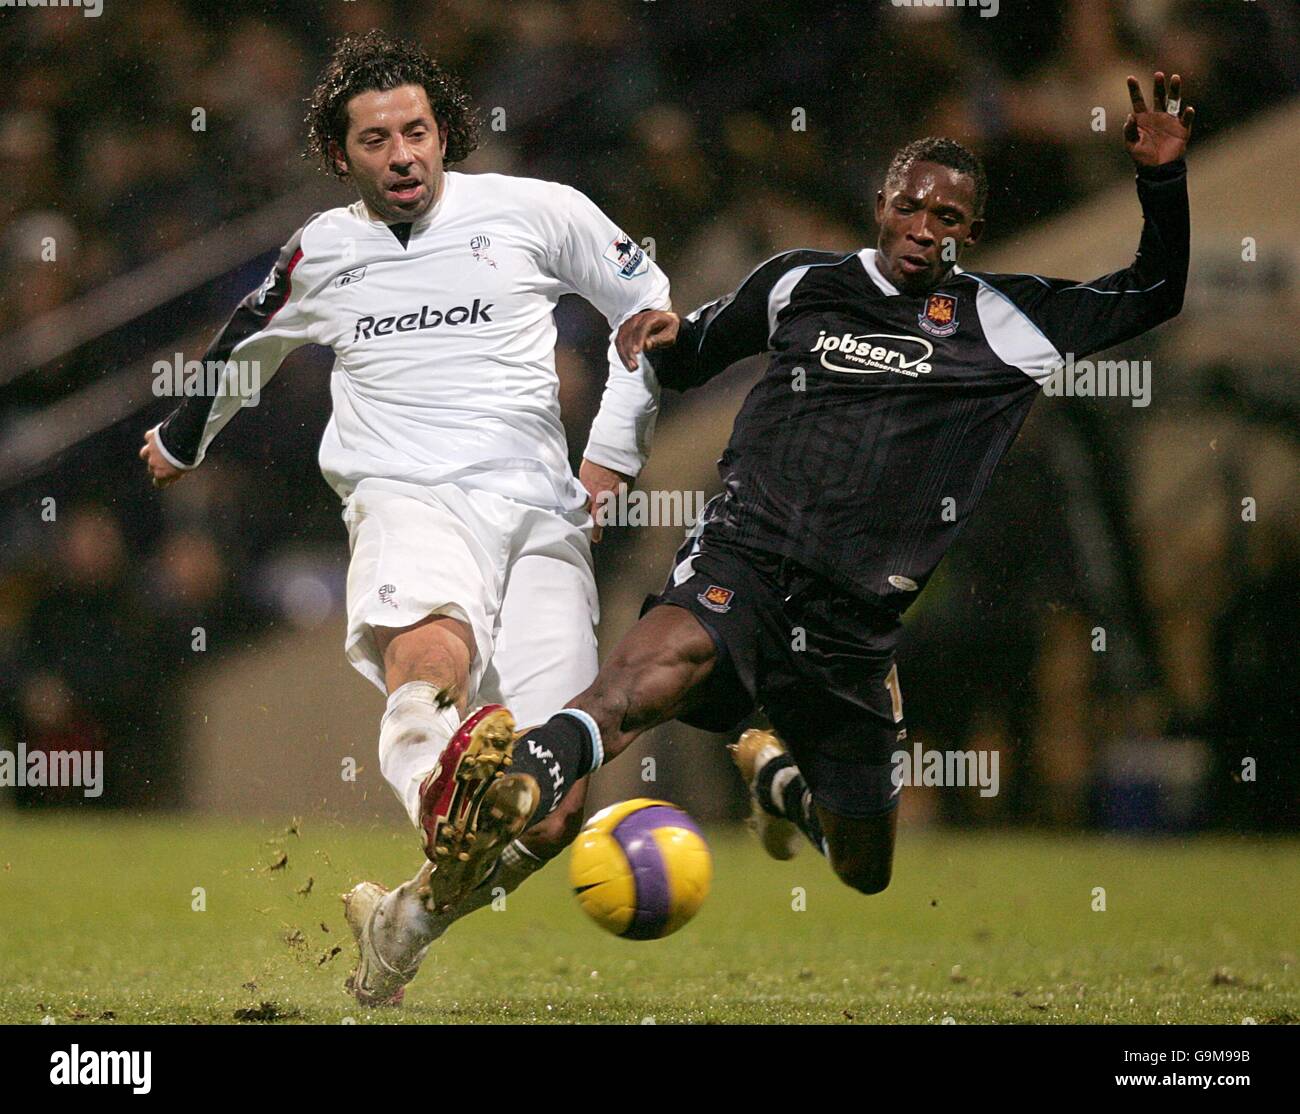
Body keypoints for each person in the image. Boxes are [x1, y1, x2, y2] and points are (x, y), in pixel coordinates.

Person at [498, 72, 1193, 892]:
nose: (923, 228)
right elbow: (694, 353)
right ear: (881, 202)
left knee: (866, 872)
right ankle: (521, 775)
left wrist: (1162, 178)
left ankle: (789, 790)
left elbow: (1153, 291)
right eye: (910, 206)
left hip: (853, 628)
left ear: (971, 231)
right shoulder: (798, 283)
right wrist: (663, 335)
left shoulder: (1003, 322)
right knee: (626, 690)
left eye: (946, 218)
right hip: (744, 567)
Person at [138, 31, 670, 1005]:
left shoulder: (533, 210)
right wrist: (182, 435)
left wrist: (612, 452)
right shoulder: (324, 250)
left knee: (550, 813)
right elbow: (246, 341)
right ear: (342, 156)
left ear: (444, 132)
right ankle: (438, 787)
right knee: (434, 655)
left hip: (542, 517)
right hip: (406, 496)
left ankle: (405, 919)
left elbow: (646, 304)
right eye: (376, 139)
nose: (402, 153)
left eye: (416, 131)